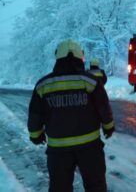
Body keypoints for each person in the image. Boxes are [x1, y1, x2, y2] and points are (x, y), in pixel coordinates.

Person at [27, 39, 114, 192]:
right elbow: (103, 106)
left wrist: (36, 134)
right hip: (90, 147)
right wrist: (108, 126)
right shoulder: (91, 81)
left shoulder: (43, 85)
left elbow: (35, 113)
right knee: (96, 186)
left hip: (58, 150)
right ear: (81, 57)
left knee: (60, 187)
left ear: (57, 58)